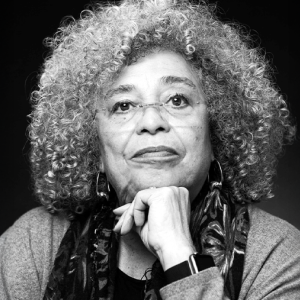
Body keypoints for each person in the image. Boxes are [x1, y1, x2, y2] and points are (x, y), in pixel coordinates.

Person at [1, 0, 299, 299]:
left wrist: (178, 254)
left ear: (218, 130)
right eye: (124, 105)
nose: (152, 121)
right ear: (94, 148)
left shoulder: (277, 253)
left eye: (177, 100)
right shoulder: (33, 244)